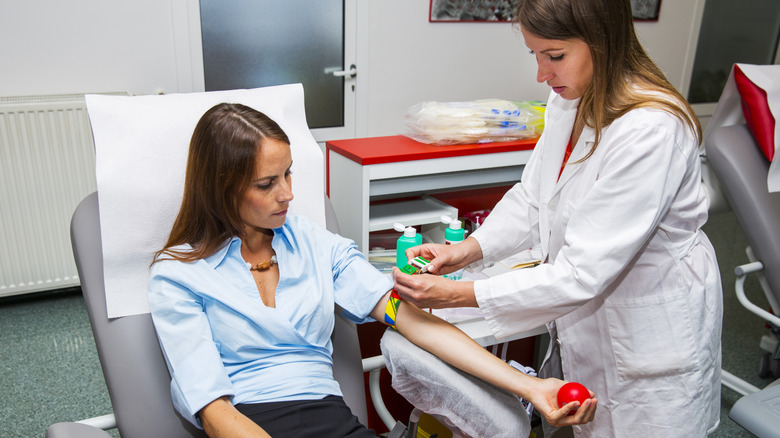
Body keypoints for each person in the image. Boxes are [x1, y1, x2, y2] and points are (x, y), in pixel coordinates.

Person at [148, 103, 597, 437]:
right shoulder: (178, 276)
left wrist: (530, 387)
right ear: (221, 190)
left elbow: (414, 321)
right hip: (244, 423)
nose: (287, 194)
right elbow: (213, 410)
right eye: (267, 184)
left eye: (288, 175)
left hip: (330, 419)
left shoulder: (311, 243)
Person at [393, 0, 722, 436]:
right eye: (535, 55)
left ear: (603, 42)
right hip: (591, 316)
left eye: (555, 56)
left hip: (650, 327)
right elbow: (534, 197)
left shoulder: (651, 129)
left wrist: (458, 293)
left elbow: (582, 272)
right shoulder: (570, 100)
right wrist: (465, 250)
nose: (541, 74)